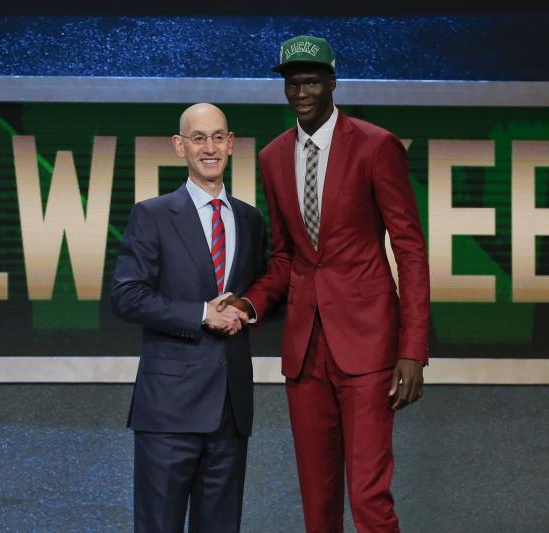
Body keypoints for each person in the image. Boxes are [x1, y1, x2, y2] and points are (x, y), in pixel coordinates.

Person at [223, 35, 430, 532]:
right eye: (293, 82)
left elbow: (410, 250)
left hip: (368, 346)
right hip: (305, 349)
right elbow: (287, 258)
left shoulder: (376, 146)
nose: (301, 90)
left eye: (312, 80)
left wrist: (413, 349)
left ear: (333, 83)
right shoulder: (273, 156)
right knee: (318, 502)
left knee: (368, 496)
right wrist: (250, 304)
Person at [111, 103, 265, 532]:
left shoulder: (252, 221)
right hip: (168, 413)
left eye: (218, 137)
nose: (209, 147)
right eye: (198, 138)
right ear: (180, 147)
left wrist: (246, 309)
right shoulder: (153, 214)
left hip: (231, 412)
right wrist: (201, 314)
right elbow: (125, 295)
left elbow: (265, 292)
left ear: (231, 144)